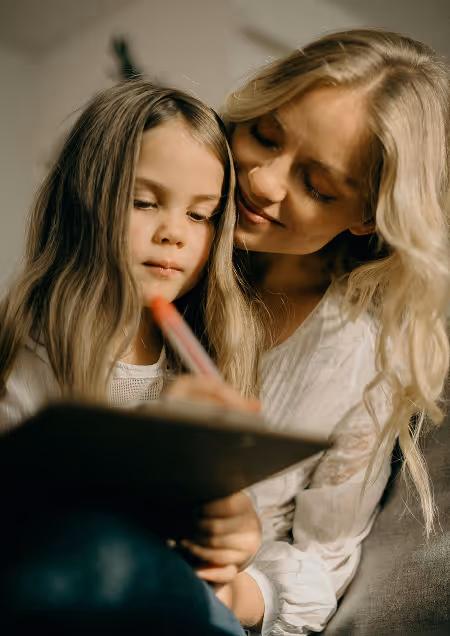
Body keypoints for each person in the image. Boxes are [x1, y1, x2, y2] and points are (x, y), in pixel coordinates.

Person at [0, 80, 263, 636]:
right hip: (57, 562)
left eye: (201, 216)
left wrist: (234, 526)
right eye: (145, 203)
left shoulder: (205, 345)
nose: (174, 233)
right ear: (87, 200)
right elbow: (12, 502)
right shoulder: (42, 329)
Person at [170, 28, 450, 635]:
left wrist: (230, 585)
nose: (265, 182)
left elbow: (322, 562)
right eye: (264, 136)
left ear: (369, 214)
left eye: (317, 186)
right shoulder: (166, 239)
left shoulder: (362, 355)